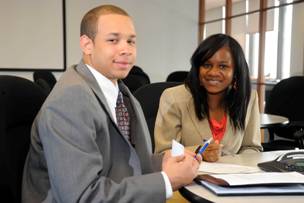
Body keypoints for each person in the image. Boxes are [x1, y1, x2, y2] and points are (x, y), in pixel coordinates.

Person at [22, 5, 201, 203]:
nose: (126, 49)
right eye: (113, 40)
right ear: (87, 45)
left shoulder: (120, 92)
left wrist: (161, 162)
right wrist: (166, 181)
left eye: (131, 41)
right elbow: (82, 197)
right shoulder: (70, 101)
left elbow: (118, 159)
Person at [154, 34, 263, 162]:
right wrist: (198, 151)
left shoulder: (248, 99)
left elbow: (251, 148)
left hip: (233, 178)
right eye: (206, 65)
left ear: (236, 72)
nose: (213, 72)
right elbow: (161, 154)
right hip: (187, 178)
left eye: (223, 66)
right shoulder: (173, 97)